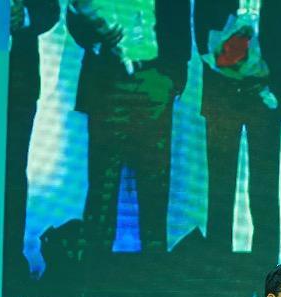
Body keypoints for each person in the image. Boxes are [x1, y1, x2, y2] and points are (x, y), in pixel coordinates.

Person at [65, 0, 190, 257]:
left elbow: (178, 15)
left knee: (155, 182)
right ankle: (95, 268)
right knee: (103, 182)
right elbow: (76, 10)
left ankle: (153, 268)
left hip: (155, 79)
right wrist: (97, 38)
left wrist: (173, 76)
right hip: (107, 79)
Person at [194, 0, 281, 268]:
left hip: (266, 90)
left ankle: (265, 266)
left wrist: (266, 71)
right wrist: (222, 64)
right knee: (220, 183)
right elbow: (202, 27)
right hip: (221, 90)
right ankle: (217, 264)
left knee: (265, 185)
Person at [5, 0, 61, 281]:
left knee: (11, 173)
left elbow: (48, 9)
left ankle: (9, 268)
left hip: (17, 81)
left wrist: (24, 16)